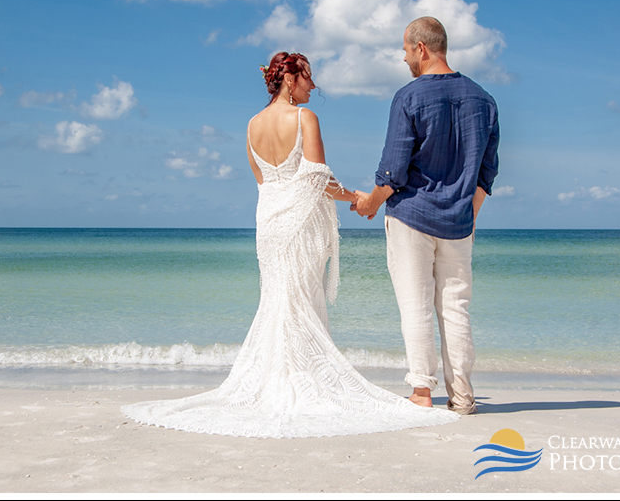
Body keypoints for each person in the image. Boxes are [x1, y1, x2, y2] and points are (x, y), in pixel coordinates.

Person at [122, 52, 459, 438]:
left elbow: (264, 183)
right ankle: (301, 382)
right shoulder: (304, 119)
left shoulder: (251, 126)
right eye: (308, 78)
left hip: (269, 225)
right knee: (299, 302)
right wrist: (358, 198)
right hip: (300, 225)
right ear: (289, 79)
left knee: (281, 300)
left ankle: (280, 380)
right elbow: (318, 180)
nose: (313, 86)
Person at [353, 17, 500, 415]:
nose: (403, 58)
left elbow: (394, 170)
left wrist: (371, 203)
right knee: (456, 307)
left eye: (405, 49)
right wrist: (465, 212)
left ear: (421, 48)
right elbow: (487, 171)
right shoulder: (485, 100)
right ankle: (463, 396)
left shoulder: (408, 97)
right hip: (458, 223)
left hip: (412, 217)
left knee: (415, 305)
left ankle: (422, 391)